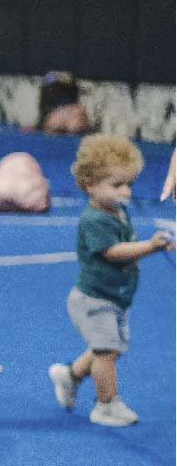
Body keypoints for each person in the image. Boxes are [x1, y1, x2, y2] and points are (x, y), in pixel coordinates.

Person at [48, 135, 173, 426]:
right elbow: (112, 252)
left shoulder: (118, 211)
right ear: (90, 185)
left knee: (108, 348)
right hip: (94, 299)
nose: (126, 192)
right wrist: (150, 247)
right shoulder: (95, 220)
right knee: (106, 352)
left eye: (129, 184)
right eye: (117, 185)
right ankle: (106, 404)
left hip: (115, 296)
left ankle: (70, 375)